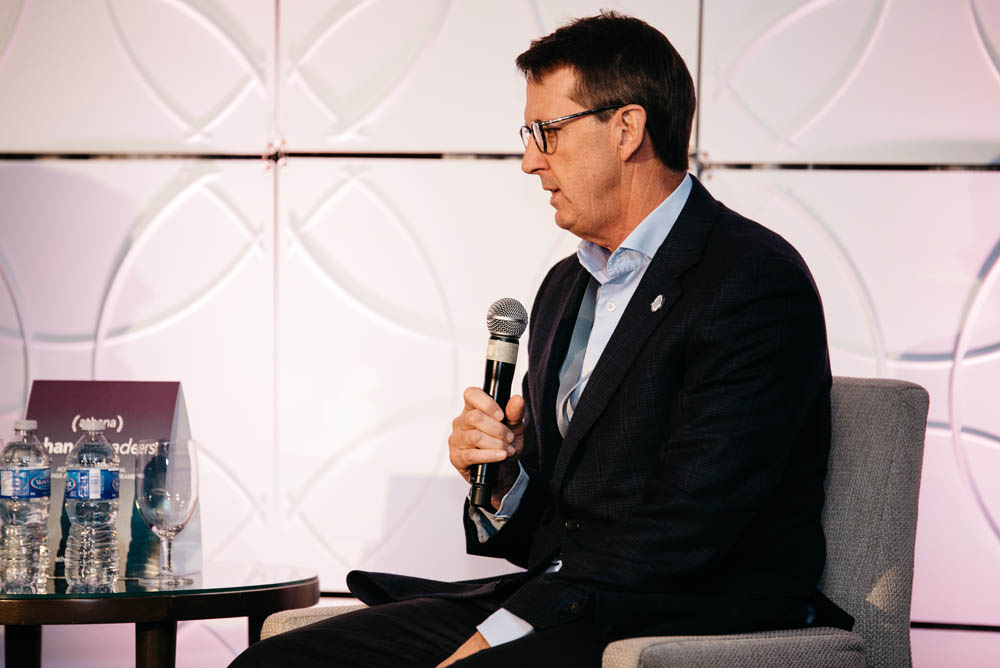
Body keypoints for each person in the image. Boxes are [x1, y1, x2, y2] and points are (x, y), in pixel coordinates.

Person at [231, 11, 852, 668]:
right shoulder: (565, 286)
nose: (530, 161)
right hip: (563, 598)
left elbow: (688, 526)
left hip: (677, 613)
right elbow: (562, 525)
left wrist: (508, 628)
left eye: (546, 132)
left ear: (626, 128)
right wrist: (504, 482)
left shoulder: (752, 282)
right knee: (270, 664)